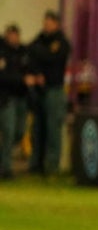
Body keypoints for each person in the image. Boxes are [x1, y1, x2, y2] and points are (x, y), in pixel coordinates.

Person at [25, 10, 71, 176]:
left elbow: (52, 58)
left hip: (54, 90)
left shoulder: (62, 42)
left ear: (56, 23)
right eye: (45, 22)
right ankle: (36, 164)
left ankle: (52, 165)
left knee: (53, 128)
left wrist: (40, 55)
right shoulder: (40, 39)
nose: (46, 25)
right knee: (37, 128)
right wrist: (37, 72)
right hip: (40, 90)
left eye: (49, 22)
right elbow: (30, 51)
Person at [0, 24, 27, 179]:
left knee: (18, 132)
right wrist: (22, 79)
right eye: (10, 35)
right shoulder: (2, 52)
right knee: (8, 132)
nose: (12, 38)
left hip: (21, 97)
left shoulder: (24, 51)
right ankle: (6, 168)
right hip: (6, 98)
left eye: (15, 34)